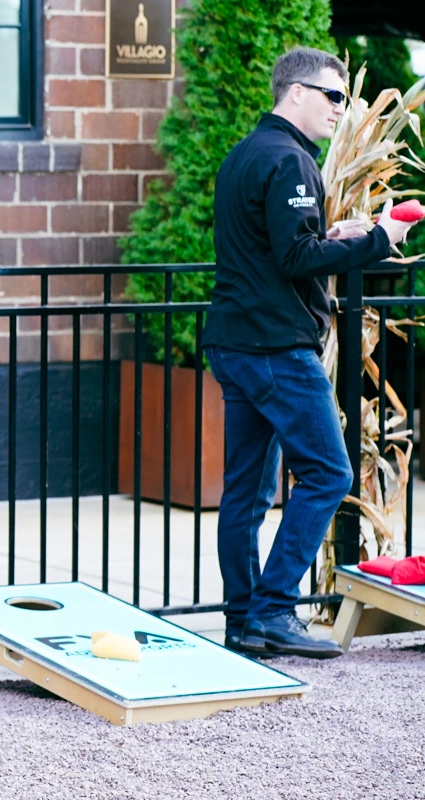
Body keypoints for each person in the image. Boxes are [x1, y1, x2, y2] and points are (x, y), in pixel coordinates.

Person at [203, 46, 417, 659]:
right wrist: (379, 239)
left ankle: (243, 623)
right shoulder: (292, 161)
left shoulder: (246, 154)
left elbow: (278, 246)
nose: (339, 110)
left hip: (235, 341)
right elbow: (296, 261)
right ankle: (273, 609)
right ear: (295, 92)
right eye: (333, 97)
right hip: (275, 348)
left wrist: (331, 236)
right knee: (330, 472)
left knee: (244, 492)